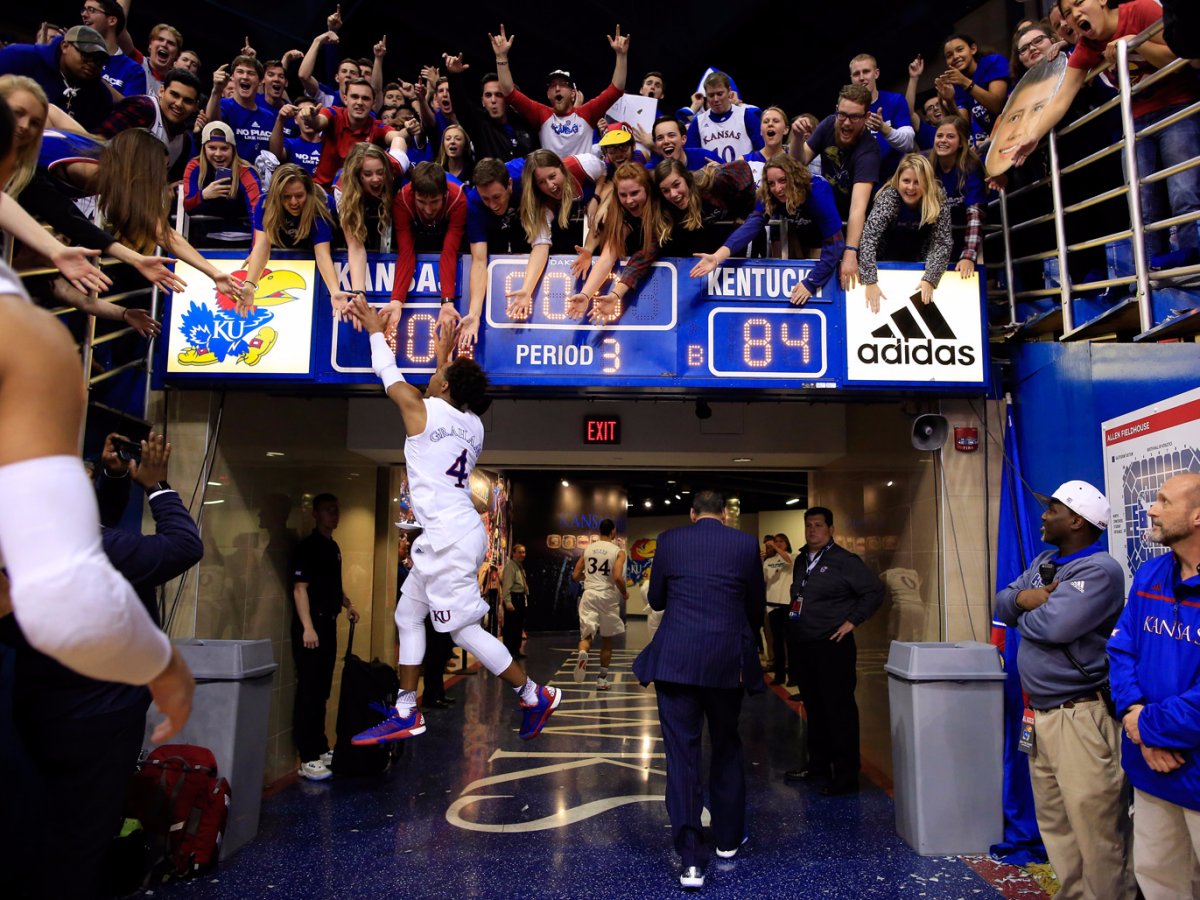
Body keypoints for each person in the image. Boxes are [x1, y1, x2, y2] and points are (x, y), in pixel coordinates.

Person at [347, 296, 561, 746]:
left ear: (443, 388)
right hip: (456, 533)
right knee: (408, 612)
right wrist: (445, 355)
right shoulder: (473, 426)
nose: (432, 377)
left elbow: (390, 374)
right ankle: (407, 708)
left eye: (438, 375)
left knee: (462, 630)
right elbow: (445, 394)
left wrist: (372, 327)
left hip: (447, 538)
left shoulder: (420, 409)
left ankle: (532, 693)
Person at [994, 480, 1135, 900]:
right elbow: (1002, 602)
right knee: (1057, 825)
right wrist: (1027, 599)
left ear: (1076, 520)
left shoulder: (1100, 569)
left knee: (1097, 832)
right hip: (1040, 717)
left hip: (1081, 716)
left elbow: (1053, 627)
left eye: (1052, 508)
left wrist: (1025, 609)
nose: (1044, 515)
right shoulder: (1044, 561)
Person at [632, 490, 765, 890]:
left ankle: (691, 859)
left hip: (676, 661)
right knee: (725, 744)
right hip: (727, 662)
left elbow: (655, 600)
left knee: (682, 756)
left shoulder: (670, 540)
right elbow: (756, 607)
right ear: (724, 513)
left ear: (692, 514)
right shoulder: (744, 543)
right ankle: (727, 838)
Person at [1010, 0, 1198, 270]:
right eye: (1067, 14)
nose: (1074, 15)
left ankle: (1194, 269)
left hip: (1177, 107)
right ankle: (1152, 278)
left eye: (1078, 3)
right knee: (1141, 204)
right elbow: (1062, 98)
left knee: (1184, 192)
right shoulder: (1088, 46)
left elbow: (1183, 55)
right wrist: (1033, 136)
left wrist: (1135, 44)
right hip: (1135, 121)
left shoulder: (1141, 10)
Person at [1109, 473, 1200, 899]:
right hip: (1152, 768)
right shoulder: (1150, 574)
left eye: (1164, 500)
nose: (1151, 508)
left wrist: (1148, 727)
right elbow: (1122, 650)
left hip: (1189, 765)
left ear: (1197, 516)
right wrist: (1134, 717)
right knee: (1160, 881)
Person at [784, 506, 883, 795]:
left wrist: (852, 621)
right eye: (808, 525)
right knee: (814, 709)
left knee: (838, 712)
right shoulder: (802, 559)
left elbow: (874, 591)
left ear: (830, 529)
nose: (812, 530)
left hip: (832, 646)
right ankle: (817, 767)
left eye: (818, 525)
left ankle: (845, 777)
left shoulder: (844, 561)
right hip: (804, 645)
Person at [690, 155, 845, 306]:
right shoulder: (770, 195)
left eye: (783, 181)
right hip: (800, 234)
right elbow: (750, 227)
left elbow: (835, 244)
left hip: (827, 237)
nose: (777, 189)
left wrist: (811, 283)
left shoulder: (817, 191)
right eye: (771, 183)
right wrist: (717, 257)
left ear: (794, 177)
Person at [290, 493, 359, 781]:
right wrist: (307, 626)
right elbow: (300, 589)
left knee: (322, 690)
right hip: (312, 627)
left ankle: (320, 747)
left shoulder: (333, 547)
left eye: (337, 510)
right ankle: (306, 756)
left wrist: (346, 603)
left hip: (328, 624)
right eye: (329, 511)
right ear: (315, 513)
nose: (335, 515)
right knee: (308, 690)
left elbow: (331, 584)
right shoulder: (307, 548)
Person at [490, 23, 629, 159]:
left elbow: (616, 89)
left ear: (573, 93)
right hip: (552, 180)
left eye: (563, 84)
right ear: (548, 94)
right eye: (552, 86)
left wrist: (621, 56)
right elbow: (509, 92)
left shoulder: (587, 113)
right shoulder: (541, 114)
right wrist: (501, 57)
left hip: (582, 180)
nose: (557, 88)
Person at [790, 84, 881, 290]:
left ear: (866, 118)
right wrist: (796, 137)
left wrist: (850, 252)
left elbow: (858, 207)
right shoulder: (829, 124)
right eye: (843, 115)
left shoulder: (869, 151)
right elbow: (797, 162)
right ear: (836, 110)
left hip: (853, 216)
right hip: (827, 209)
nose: (846, 123)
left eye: (855, 117)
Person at [567, 161, 672, 323]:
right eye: (623, 195)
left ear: (648, 189)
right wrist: (585, 294)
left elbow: (642, 258)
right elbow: (607, 256)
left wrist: (616, 293)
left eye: (635, 193)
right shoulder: (620, 212)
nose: (629, 201)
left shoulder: (663, 205)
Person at [858, 153, 953, 314]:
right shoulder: (889, 197)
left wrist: (930, 277)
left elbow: (942, 242)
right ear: (898, 180)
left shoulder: (937, 198)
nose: (910, 188)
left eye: (917, 182)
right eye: (906, 181)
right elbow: (868, 238)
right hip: (884, 260)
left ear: (927, 183)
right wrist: (870, 281)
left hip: (919, 262)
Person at [385, 161, 467, 332]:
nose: (428, 209)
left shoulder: (458, 198)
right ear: (413, 194)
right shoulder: (402, 200)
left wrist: (447, 302)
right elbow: (406, 253)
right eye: (422, 202)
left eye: (434, 201)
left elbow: (449, 252)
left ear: (444, 194)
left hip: (448, 235)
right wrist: (396, 300)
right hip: (419, 234)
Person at [94, 66, 201, 178]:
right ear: (161, 91)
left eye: (187, 101)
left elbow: (168, 182)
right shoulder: (142, 108)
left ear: (195, 106)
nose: (179, 104)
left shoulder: (184, 141)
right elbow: (99, 143)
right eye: (174, 95)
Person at [0, 25, 114, 130]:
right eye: (86, 55)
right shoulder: (19, 57)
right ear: (65, 46)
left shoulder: (100, 96)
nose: (92, 64)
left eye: (99, 61)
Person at [302, 78, 406, 188]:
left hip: (356, 195)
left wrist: (407, 130)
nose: (360, 102)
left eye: (365, 98)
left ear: (373, 103)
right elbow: (319, 122)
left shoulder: (376, 126)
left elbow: (397, 137)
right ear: (345, 99)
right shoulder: (333, 113)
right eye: (354, 97)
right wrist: (311, 119)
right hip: (322, 191)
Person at [441, 56, 537, 162]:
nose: (493, 100)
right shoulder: (479, 125)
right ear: (482, 101)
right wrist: (454, 76)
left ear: (507, 98)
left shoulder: (524, 123)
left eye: (498, 94)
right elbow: (461, 106)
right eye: (488, 95)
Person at [654, 157, 757, 255]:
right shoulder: (665, 206)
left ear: (686, 179)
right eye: (665, 191)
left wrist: (743, 215)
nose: (673, 194)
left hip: (737, 241)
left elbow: (742, 168)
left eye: (676, 185)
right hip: (707, 250)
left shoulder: (711, 182)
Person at [183, 121, 262, 245]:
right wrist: (203, 195)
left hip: (244, 239)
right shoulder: (194, 166)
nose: (218, 154)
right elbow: (187, 205)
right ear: (204, 149)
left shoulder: (245, 171)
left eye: (224, 148)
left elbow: (257, 212)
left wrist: (255, 250)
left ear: (233, 149)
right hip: (207, 239)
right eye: (212, 148)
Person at [572, 519, 628, 690]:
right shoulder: (618, 552)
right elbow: (617, 577)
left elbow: (575, 575)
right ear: (613, 532)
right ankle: (602, 679)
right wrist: (625, 592)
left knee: (586, 637)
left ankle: (583, 653)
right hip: (607, 596)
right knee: (606, 639)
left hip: (589, 595)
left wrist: (587, 579)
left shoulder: (588, 549)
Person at [928, 116, 986, 277]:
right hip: (932, 237)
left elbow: (975, 214)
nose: (943, 140)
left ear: (961, 142)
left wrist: (968, 255)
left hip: (963, 234)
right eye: (939, 136)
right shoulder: (926, 164)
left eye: (950, 136)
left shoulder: (971, 167)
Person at [848, 53, 915, 180]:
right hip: (860, 180)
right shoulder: (846, 112)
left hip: (895, 178)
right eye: (856, 74)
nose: (861, 77)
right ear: (851, 78)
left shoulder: (895, 101)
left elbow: (909, 143)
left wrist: (884, 128)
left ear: (876, 73)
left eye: (866, 71)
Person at [936, 33, 1010, 147]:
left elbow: (998, 106)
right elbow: (964, 126)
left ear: (973, 49)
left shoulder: (993, 62)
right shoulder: (956, 84)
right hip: (990, 143)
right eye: (949, 55)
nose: (955, 56)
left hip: (1011, 129)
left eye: (960, 49)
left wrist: (966, 83)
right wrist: (950, 101)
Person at [205, 54, 277, 165]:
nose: (245, 77)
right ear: (232, 77)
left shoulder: (269, 116)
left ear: (260, 81)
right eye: (240, 72)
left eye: (251, 73)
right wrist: (216, 91)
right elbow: (213, 126)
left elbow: (275, 153)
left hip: (259, 179)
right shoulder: (223, 105)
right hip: (231, 176)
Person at [685, 70, 762, 163]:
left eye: (720, 94)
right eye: (711, 95)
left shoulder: (746, 116)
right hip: (712, 176)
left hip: (744, 175)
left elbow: (762, 152)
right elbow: (691, 158)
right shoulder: (698, 122)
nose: (716, 99)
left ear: (729, 91)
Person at [78, 0, 143, 96]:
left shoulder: (133, 70)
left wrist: (96, 78)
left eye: (91, 10)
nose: (84, 14)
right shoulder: (77, 55)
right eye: (84, 10)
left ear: (112, 20)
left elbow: (131, 108)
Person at [761, 534, 795, 685]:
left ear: (787, 543)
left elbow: (787, 561)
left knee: (791, 642)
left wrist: (774, 547)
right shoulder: (769, 561)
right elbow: (764, 580)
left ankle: (794, 677)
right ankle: (779, 675)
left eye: (781, 541)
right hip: (772, 605)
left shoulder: (793, 556)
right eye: (776, 542)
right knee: (777, 643)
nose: (778, 544)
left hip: (788, 605)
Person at [268, 96, 323, 175]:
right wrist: (280, 119)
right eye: (301, 112)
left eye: (310, 111)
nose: (306, 116)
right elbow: (275, 155)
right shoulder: (290, 144)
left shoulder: (328, 145)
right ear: (295, 120)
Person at [644, 115, 721, 171]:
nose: (666, 141)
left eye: (671, 135)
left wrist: (721, 173)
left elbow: (731, 176)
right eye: (660, 138)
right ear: (656, 144)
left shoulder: (705, 158)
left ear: (683, 139)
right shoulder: (651, 171)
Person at [501, 544, 529, 660]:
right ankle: (509, 651)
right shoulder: (510, 567)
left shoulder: (519, 566)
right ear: (514, 553)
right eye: (520, 552)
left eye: (524, 552)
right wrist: (508, 601)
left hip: (520, 597)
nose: (522, 554)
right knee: (511, 626)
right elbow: (506, 586)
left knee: (518, 626)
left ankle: (516, 650)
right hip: (513, 598)